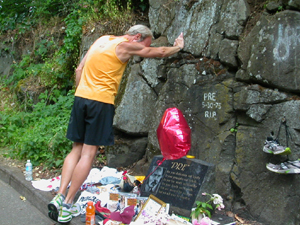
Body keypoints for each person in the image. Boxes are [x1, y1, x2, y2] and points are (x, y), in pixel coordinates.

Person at [47, 24, 184, 223]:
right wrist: (177, 47)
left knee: (75, 148)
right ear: (136, 37)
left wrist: (82, 94)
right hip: (100, 102)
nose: (139, 52)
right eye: (143, 45)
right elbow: (160, 52)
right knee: (88, 153)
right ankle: (68, 203)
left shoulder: (102, 39)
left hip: (81, 98)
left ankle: (60, 196)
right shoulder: (125, 45)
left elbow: (79, 69)